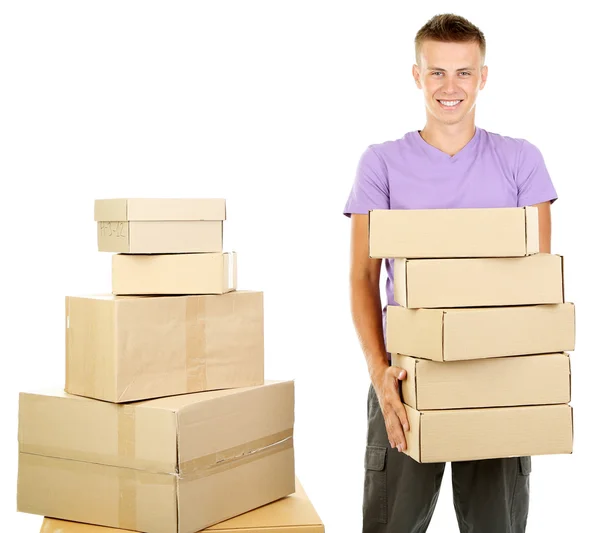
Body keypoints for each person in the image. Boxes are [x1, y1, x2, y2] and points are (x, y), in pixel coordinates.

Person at [343, 13, 558, 533]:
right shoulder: (382, 164)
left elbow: (536, 282)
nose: (450, 86)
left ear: (483, 76)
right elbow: (362, 278)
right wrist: (380, 376)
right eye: (437, 72)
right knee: (391, 525)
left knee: (496, 526)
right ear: (417, 76)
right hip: (406, 377)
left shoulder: (520, 161)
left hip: (497, 373)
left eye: (463, 72)